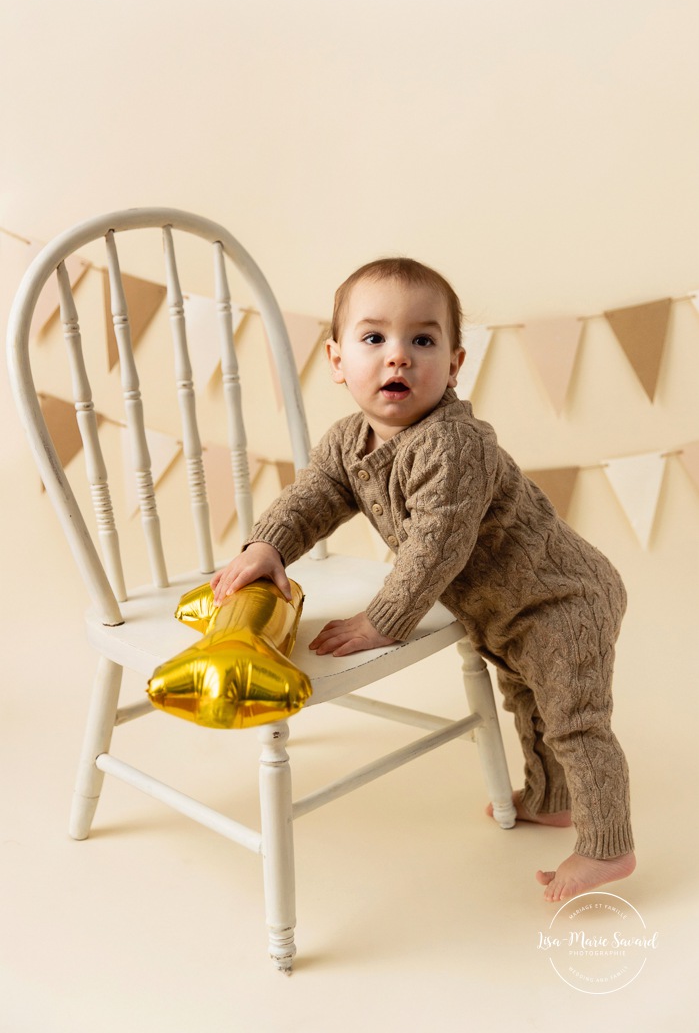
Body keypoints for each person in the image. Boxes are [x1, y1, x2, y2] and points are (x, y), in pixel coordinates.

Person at [211, 257, 636, 903]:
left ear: (455, 363)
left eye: (422, 340)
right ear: (335, 360)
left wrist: (380, 621)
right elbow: (315, 496)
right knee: (526, 699)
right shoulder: (346, 442)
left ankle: (608, 846)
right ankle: (552, 799)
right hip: (505, 610)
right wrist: (269, 544)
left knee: (574, 719)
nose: (398, 358)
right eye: (373, 338)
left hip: (559, 597)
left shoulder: (453, 444)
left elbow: (436, 546)